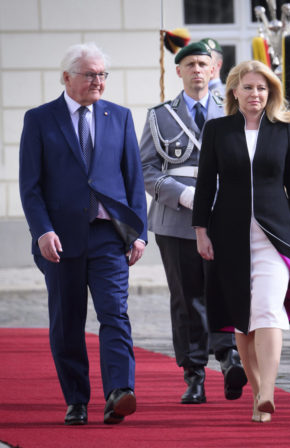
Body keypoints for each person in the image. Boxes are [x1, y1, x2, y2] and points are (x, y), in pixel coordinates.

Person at [192, 60, 290, 423]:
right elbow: (204, 186)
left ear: (270, 92)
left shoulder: (283, 130)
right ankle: (258, 391)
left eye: (262, 88)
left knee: (268, 311)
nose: (255, 94)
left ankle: (268, 392)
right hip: (228, 235)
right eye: (248, 87)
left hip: (274, 235)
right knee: (243, 320)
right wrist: (201, 231)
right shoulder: (217, 130)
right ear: (234, 91)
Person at [18, 42, 147, 425]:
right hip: (60, 241)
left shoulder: (119, 117)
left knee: (115, 314)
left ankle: (119, 391)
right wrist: (42, 231)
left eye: (103, 74)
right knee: (67, 322)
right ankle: (76, 399)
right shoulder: (40, 119)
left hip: (109, 236)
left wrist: (138, 233)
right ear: (67, 77)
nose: (98, 81)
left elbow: (133, 180)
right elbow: (31, 186)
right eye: (90, 74)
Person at [139, 41, 246, 405]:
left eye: (203, 64)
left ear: (215, 69)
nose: (197, 70)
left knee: (227, 290)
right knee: (186, 298)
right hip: (176, 218)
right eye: (190, 64)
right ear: (179, 71)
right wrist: (180, 195)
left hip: (223, 215)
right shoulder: (159, 116)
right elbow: (146, 170)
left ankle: (229, 356)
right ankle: (194, 373)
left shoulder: (232, 112)